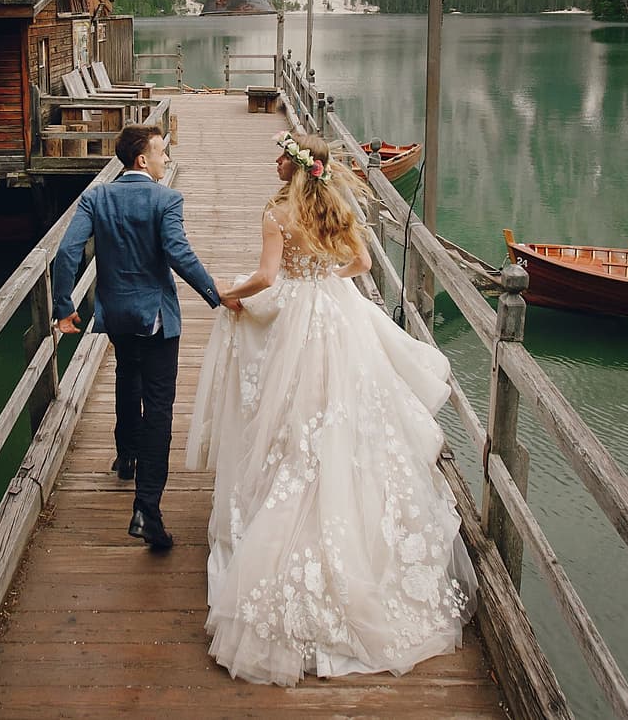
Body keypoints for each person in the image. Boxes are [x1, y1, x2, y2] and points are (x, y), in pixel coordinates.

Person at [189, 129, 476, 685]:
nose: (272, 159)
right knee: (347, 421)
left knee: (294, 423)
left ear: (294, 166)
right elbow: (363, 264)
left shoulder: (276, 214)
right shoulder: (337, 207)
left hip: (298, 322)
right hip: (338, 320)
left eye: (279, 153)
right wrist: (322, 280)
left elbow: (268, 277)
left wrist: (234, 292)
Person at [53, 122, 222, 551]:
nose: (167, 159)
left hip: (116, 314)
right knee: (160, 406)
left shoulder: (97, 196)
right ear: (142, 159)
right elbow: (177, 252)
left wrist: (65, 307)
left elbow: (68, 252)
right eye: (162, 152)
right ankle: (147, 509)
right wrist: (214, 294)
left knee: (127, 374)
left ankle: (125, 454)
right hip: (156, 318)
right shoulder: (166, 199)